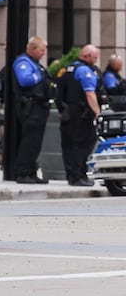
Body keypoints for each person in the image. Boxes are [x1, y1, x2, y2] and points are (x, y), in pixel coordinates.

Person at [56, 44, 103, 187]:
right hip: (81, 114)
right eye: (94, 58)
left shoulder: (67, 69)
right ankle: (78, 176)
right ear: (87, 56)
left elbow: (59, 92)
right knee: (82, 144)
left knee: (69, 145)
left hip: (68, 112)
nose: (95, 61)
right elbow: (90, 93)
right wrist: (97, 112)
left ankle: (72, 175)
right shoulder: (84, 71)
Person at [10, 36, 52, 184]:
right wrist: (38, 76)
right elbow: (24, 80)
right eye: (42, 50)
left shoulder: (35, 63)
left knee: (36, 142)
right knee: (29, 141)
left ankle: (32, 172)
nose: (44, 53)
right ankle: (23, 173)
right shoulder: (23, 62)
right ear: (32, 49)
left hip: (40, 107)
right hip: (30, 107)